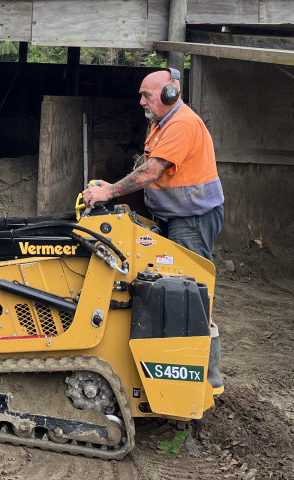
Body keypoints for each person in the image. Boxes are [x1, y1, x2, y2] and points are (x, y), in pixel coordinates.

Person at [80, 67, 225, 390]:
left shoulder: (182, 124)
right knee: (167, 289)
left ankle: (205, 378)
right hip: (174, 217)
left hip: (192, 219)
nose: (141, 101)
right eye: (141, 95)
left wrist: (110, 192)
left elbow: (152, 171)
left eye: (147, 94)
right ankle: (170, 363)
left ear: (169, 94)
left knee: (192, 294)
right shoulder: (161, 124)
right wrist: (111, 184)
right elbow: (147, 165)